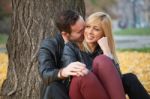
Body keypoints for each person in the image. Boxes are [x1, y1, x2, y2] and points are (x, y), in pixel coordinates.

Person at [38, 10, 150, 99]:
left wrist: (107, 53)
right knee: (87, 72)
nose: (87, 32)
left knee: (129, 78)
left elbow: (115, 78)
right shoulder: (61, 46)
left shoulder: (100, 47)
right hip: (74, 90)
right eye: (86, 28)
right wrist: (63, 71)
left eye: (95, 28)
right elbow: (47, 73)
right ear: (66, 34)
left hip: (100, 90)